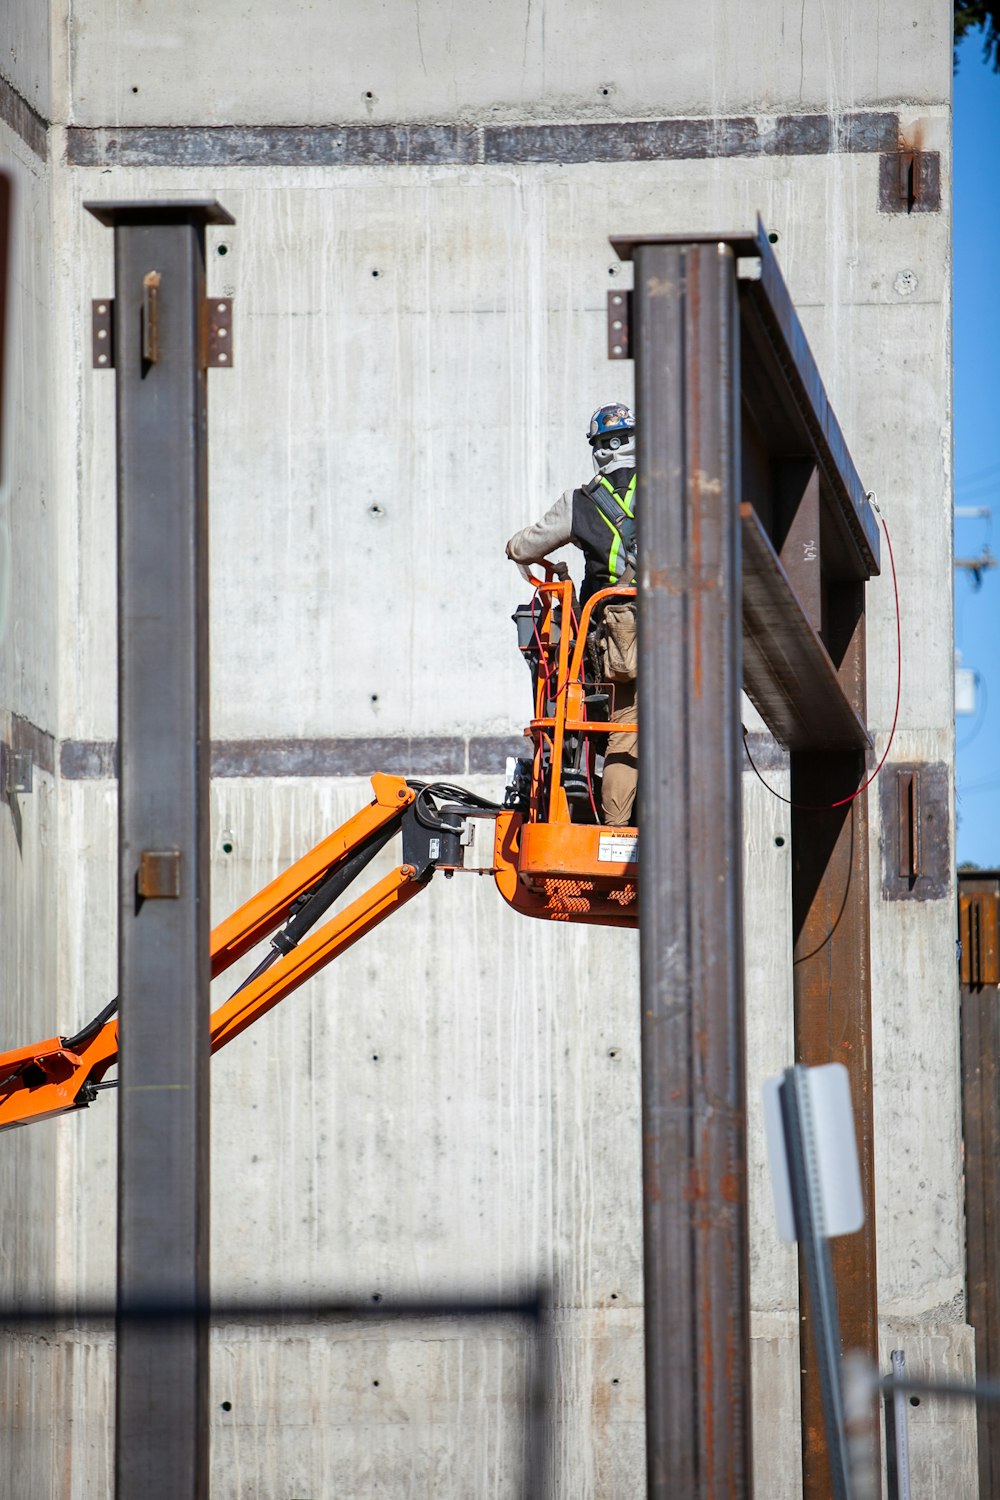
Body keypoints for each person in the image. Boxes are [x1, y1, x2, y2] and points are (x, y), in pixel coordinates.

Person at [505, 404, 638, 826]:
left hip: (617, 637)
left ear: (599, 451)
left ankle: (617, 832)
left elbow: (523, 549)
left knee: (624, 726)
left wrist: (514, 545)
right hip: (684, 630)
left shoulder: (580, 503)